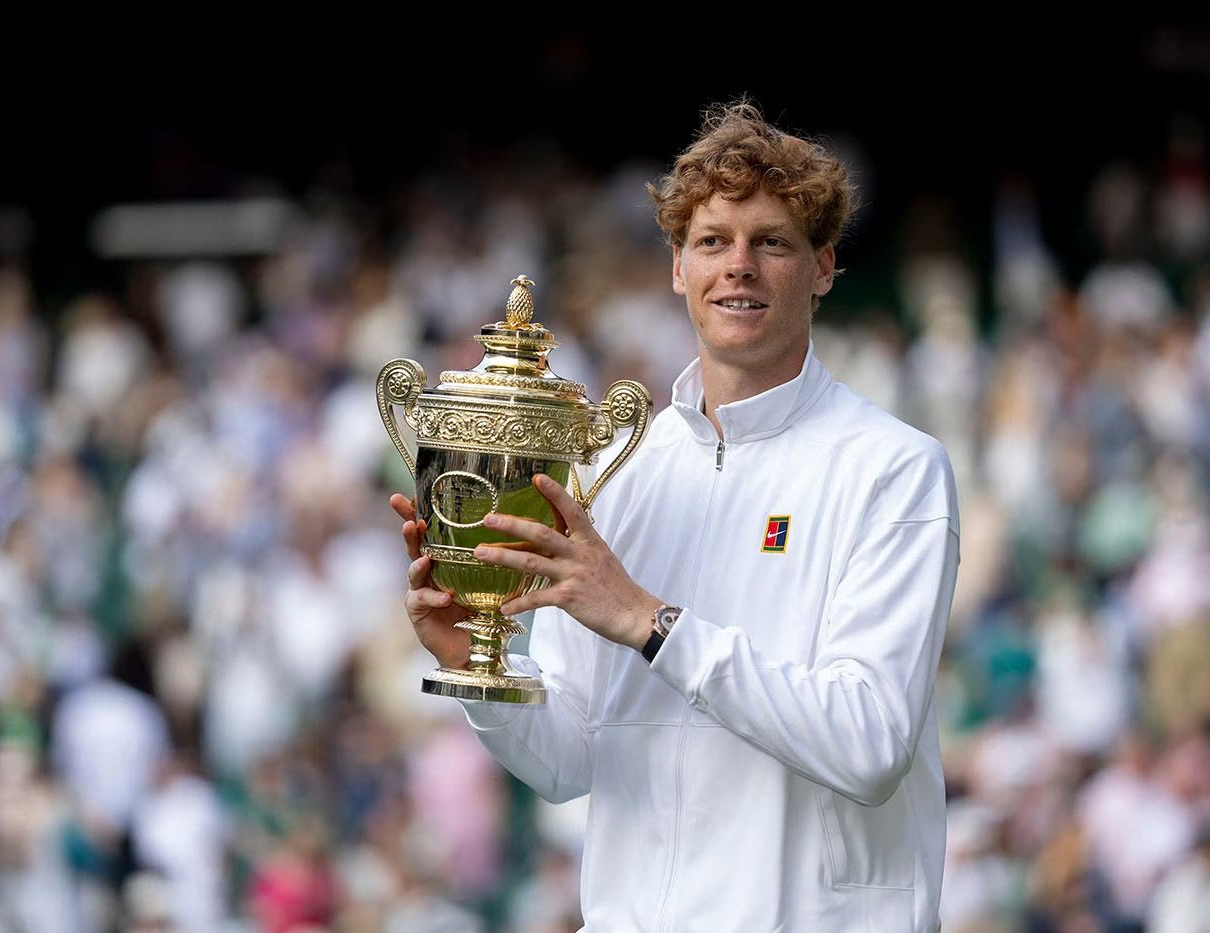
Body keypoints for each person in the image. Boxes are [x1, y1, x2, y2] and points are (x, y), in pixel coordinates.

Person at [391, 102, 960, 931]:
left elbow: (870, 745)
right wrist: (480, 668)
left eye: (772, 241)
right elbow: (569, 757)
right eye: (712, 242)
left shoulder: (895, 468)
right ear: (676, 269)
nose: (740, 267)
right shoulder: (621, 472)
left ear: (825, 265)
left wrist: (651, 622)